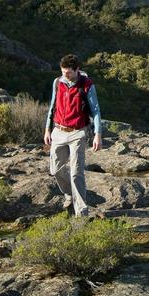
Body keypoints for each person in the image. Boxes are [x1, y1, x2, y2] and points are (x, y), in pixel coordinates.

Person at [44, 54, 102, 217]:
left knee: (76, 173)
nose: (65, 75)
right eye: (63, 72)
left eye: (68, 72)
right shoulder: (57, 82)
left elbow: (96, 111)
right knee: (55, 169)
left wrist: (97, 134)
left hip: (78, 132)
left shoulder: (87, 85)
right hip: (58, 131)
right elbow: (52, 107)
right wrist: (47, 129)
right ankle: (69, 193)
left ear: (77, 70)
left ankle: (81, 212)